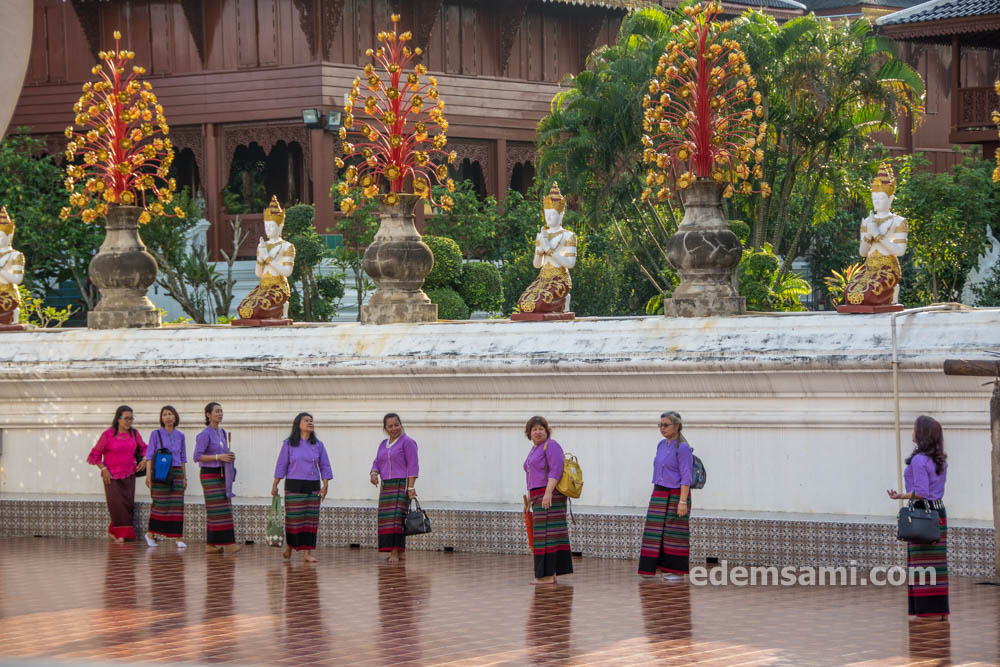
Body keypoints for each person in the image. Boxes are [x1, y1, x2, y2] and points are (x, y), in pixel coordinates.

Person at [888, 415, 949, 620]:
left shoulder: (919, 460)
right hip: (938, 513)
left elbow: (921, 492)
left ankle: (926, 612)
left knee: (922, 565)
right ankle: (939, 611)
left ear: (921, 434)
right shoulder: (939, 459)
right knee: (937, 566)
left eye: (914, 429)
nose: (911, 433)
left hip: (922, 514)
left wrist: (899, 496)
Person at [271, 412, 333, 563]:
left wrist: (325, 484)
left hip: (313, 485)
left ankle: (307, 554)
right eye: (306, 420)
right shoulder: (288, 444)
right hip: (293, 485)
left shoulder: (318, 445)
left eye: (311, 420)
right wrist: (275, 484)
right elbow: (281, 465)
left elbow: (324, 465)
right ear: (298, 424)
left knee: (310, 521)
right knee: (293, 520)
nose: (310, 422)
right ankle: (289, 548)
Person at [638, 411, 692, 582]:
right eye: (660, 424)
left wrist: (682, 502)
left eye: (666, 425)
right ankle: (655, 568)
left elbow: (686, 477)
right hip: (659, 492)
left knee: (673, 533)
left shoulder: (682, 448)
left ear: (676, 426)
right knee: (654, 532)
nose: (662, 428)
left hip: (677, 494)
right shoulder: (661, 444)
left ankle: (675, 571)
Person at [523, 415, 573, 585]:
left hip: (549, 497)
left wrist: (548, 492)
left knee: (547, 536)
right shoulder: (534, 450)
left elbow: (556, 469)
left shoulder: (551, 446)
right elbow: (532, 476)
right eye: (534, 429)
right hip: (538, 497)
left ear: (547, 431)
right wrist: (529, 499)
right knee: (542, 536)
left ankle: (546, 575)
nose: (537, 432)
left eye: (540, 429)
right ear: (529, 433)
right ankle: (548, 575)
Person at [87, 405, 146, 542]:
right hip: (111, 476)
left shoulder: (135, 434)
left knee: (127, 504)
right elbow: (95, 455)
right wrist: (103, 469)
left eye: (131, 418)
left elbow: (145, 448)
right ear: (118, 419)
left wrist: (143, 460)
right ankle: (122, 535)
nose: (129, 422)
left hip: (129, 474)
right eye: (126, 418)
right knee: (116, 504)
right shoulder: (107, 435)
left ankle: (115, 531)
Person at [369, 413, 419, 563]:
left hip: (401, 485)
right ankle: (398, 551)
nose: (394, 428)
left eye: (396, 425)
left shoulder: (407, 442)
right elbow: (377, 461)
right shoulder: (383, 444)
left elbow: (413, 466)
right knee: (386, 520)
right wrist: (373, 473)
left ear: (401, 424)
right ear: (385, 428)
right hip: (386, 487)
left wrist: (410, 487)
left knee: (397, 519)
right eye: (390, 426)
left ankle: (395, 552)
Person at [194, 402, 241, 554]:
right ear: (208, 414)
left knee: (222, 507)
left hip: (222, 474)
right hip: (209, 474)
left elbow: (223, 452)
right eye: (217, 411)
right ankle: (228, 543)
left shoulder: (222, 432)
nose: (220, 414)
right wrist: (218, 456)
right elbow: (197, 457)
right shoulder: (204, 434)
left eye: (221, 411)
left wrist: (228, 456)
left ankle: (211, 544)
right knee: (219, 510)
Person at [144, 405, 187, 549]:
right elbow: (149, 456)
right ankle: (150, 534)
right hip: (160, 473)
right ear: (161, 418)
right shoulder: (155, 434)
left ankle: (178, 537)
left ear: (175, 417)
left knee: (177, 506)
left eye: (170, 414)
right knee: (159, 505)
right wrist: (149, 476)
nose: (167, 417)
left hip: (177, 473)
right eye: (164, 415)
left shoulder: (181, 435)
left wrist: (184, 477)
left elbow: (183, 458)